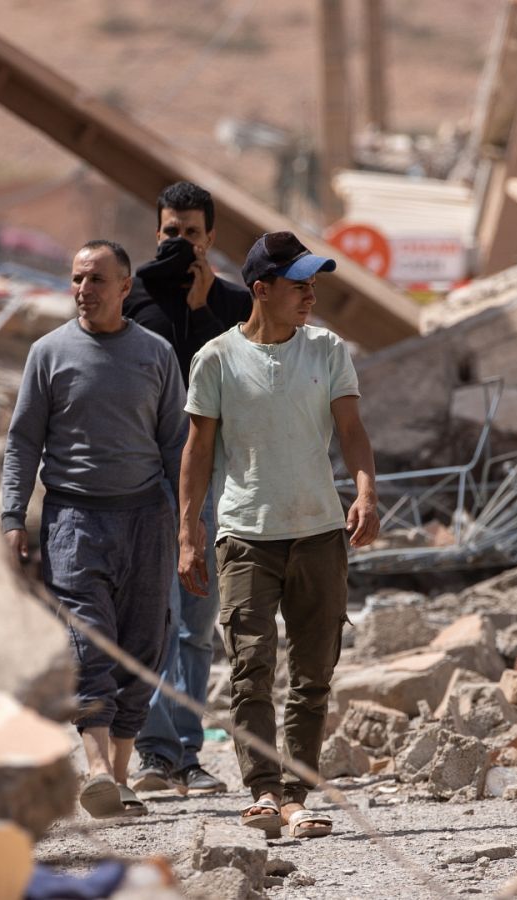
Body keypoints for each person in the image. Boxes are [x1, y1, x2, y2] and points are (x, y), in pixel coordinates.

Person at [177, 231, 381, 840]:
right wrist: (189, 533)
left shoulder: (326, 350)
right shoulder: (215, 358)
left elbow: (351, 430)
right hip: (244, 535)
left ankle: (299, 791)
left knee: (314, 671)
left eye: (313, 284)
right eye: (299, 285)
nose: (310, 295)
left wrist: (367, 493)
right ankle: (265, 791)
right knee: (251, 668)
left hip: (319, 533)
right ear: (260, 290)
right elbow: (198, 450)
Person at [0, 240, 186, 820]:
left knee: (142, 647)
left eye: (97, 280)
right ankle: (98, 769)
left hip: (146, 518)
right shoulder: (48, 353)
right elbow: (22, 442)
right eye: (78, 279)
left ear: (125, 287)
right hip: (73, 521)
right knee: (88, 645)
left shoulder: (155, 354)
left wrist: (188, 525)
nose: (85, 290)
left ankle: (119, 777)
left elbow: (177, 444)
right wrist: (11, 515)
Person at [128, 182, 252, 797]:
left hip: (208, 481)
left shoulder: (231, 304)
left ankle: (186, 750)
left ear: (211, 240)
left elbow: (238, 386)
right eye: (170, 233)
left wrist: (204, 307)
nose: (179, 244)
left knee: (197, 623)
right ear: (157, 233)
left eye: (192, 235)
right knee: (149, 619)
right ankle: (152, 753)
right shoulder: (130, 299)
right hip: (142, 481)